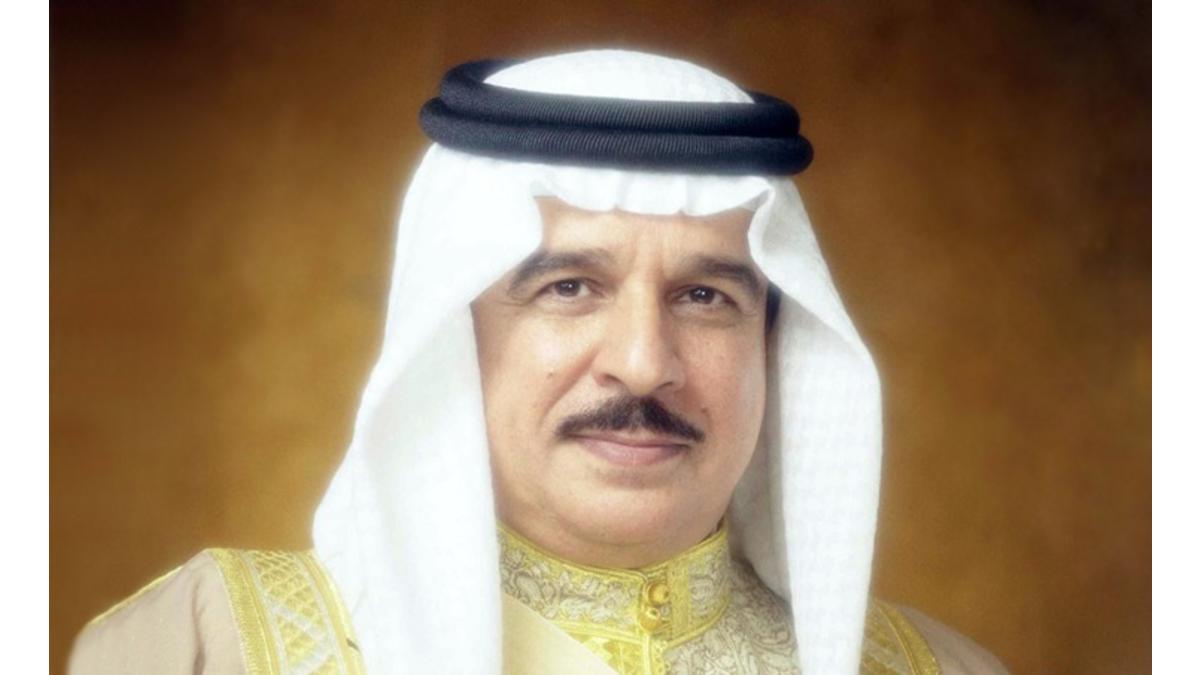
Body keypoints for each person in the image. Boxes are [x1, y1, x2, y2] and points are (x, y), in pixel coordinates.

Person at [69, 50, 1007, 675]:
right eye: (569, 287)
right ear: (454, 334)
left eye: (704, 296)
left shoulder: (939, 670)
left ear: (775, 346)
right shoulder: (207, 647)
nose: (642, 364)